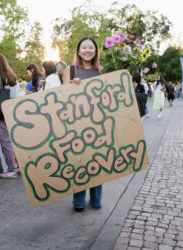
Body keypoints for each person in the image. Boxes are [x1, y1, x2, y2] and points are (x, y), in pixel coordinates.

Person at [62, 36, 102, 212]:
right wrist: (73, 85)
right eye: (84, 47)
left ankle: (96, 199)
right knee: (79, 161)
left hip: (96, 123)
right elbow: (61, 97)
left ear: (95, 51)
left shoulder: (99, 71)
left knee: (98, 160)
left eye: (91, 47)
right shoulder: (70, 70)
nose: (87, 50)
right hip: (75, 123)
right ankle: (78, 201)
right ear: (78, 51)